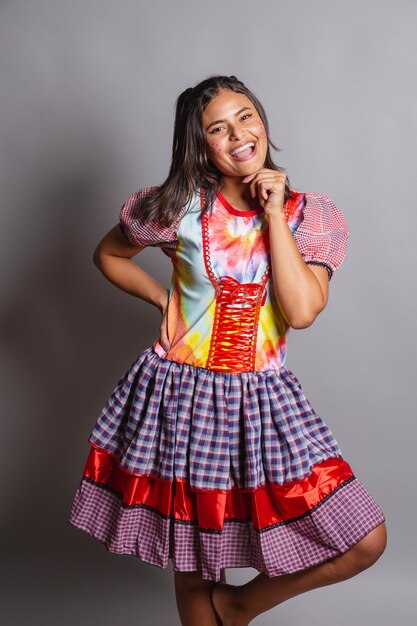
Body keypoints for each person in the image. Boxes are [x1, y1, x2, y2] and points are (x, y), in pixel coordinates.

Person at [69, 75, 387, 626]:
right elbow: (110, 255)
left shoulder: (309, 216)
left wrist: (273, 212)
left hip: (263, 398)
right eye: (217, 128)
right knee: (192, 562)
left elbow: (303, 311)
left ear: (263, 121)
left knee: (365, 540)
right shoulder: (178, 207)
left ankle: (238, 606)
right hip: (180, 393)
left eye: (246, 117)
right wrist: (163, 300)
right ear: (201, 145)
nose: (238, 134)